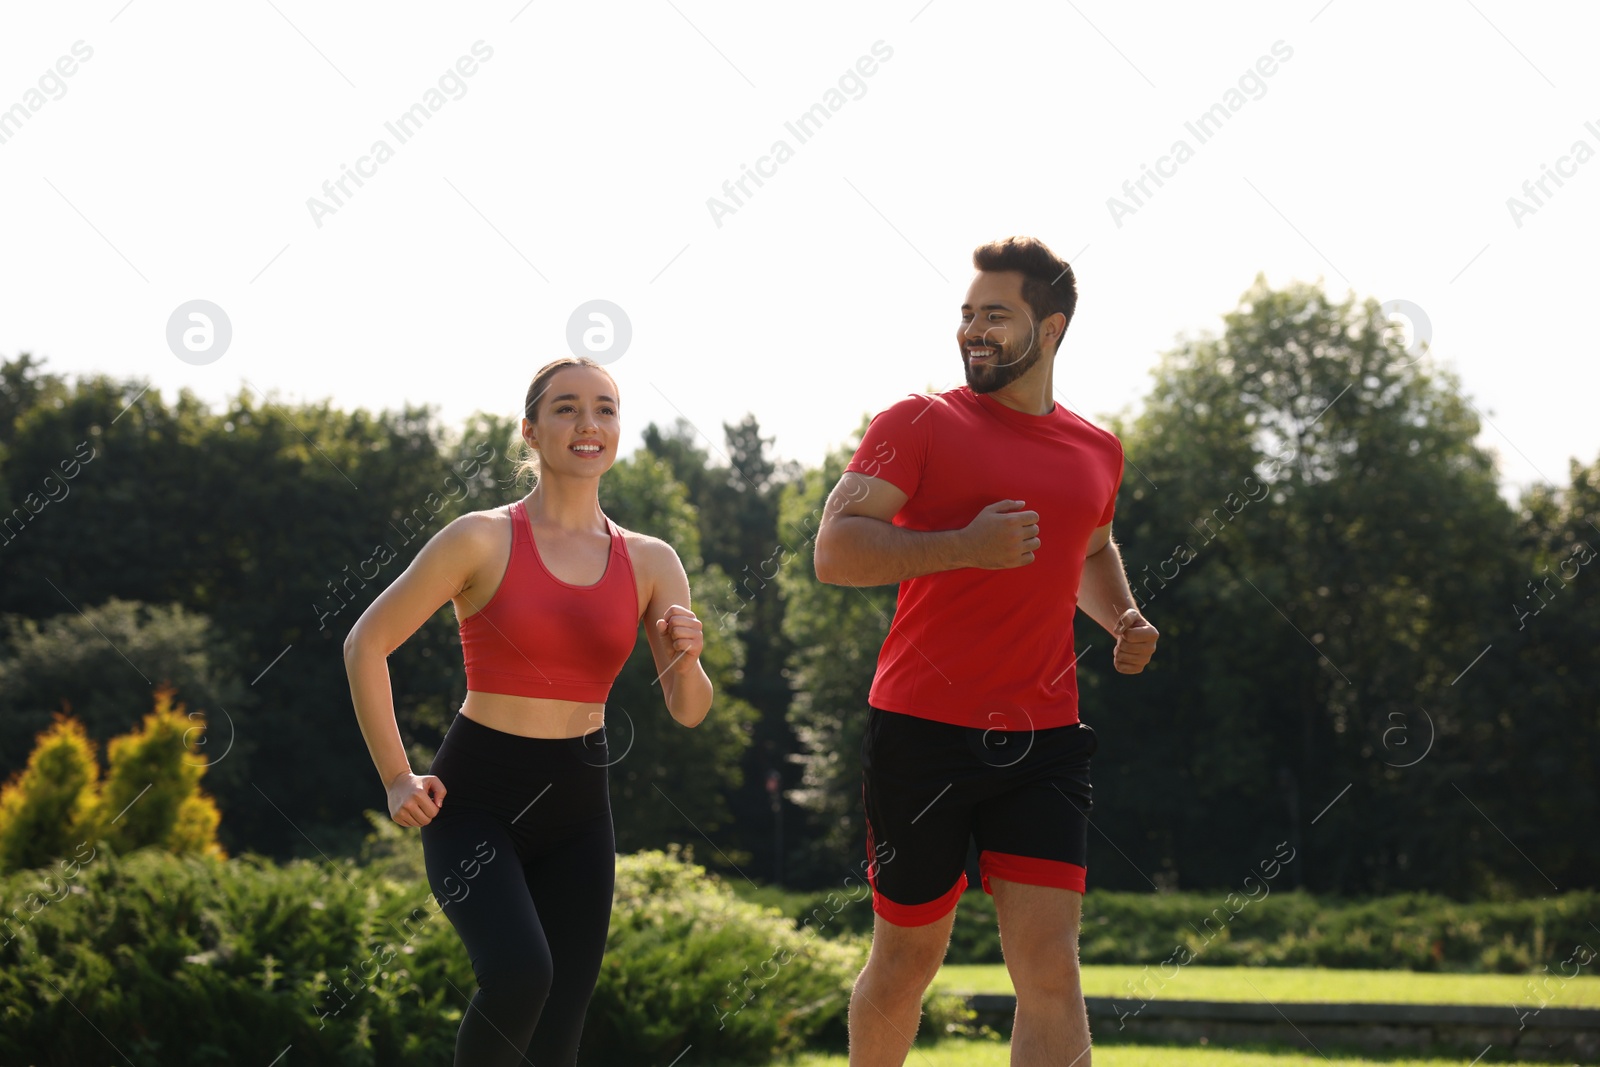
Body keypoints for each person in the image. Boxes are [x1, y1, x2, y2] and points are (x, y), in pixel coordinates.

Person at [814, 236, 1159, 1067]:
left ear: (1051, 329)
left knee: (1049, 966)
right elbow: (835, 550)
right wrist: (963, 545)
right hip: (921, 732)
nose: (973, 330)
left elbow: (1089, 549)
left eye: (995, 315)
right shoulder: (918, 422)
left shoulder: (1097, 449)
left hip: (1043, 737)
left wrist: (1124, 617)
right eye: (967, 314)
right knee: (906, 961)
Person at [343, 355, 713, 1066]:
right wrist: (396, 776)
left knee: (558, 1029)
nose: (588, 423)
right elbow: (366, 643)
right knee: (519, 974)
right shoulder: (479, 538)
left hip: (580, 807)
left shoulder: (651, 561)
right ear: (531, 430)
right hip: (476, 796)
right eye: (567, 407)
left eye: (605, 408)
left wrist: (689, 658)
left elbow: (689, 710)